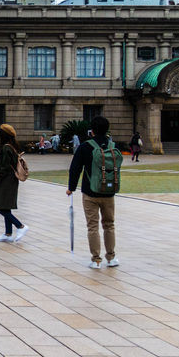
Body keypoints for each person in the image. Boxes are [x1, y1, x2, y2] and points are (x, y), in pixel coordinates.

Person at [67, 114, 120, 270]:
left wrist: (71, 187)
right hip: (109, 192)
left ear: (92, 131)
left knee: (93, 226)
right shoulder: (112, 146)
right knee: (109, 225)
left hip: (90, 192)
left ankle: (96, 260)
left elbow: (75, 168)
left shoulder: (85, 146)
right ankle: (111, 258)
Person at [0, 124, 28, 243]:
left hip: (5, 182)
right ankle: (8, 233)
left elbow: (4, 167)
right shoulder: (12, 147)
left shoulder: (6, 148)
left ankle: (20, 226)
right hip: (11, 181)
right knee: (5, 206)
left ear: (3, 135)